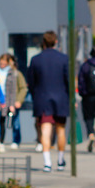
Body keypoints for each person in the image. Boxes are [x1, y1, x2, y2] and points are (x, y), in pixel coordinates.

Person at [27, 30, 69, 172]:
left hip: (43, 98)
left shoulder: (36, 59)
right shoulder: (63, 59)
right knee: (61, 130)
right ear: (56, 42)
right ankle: (60, 160)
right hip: (61, 98)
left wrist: (35, 95)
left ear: (43, 42)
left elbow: (31, 82)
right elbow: (68, 80)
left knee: (45, 130)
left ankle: (47, 162)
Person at [7, 54, 28, 149]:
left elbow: (23, 88)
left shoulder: (17, 74)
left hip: (14, 101)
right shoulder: (2, 73)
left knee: (15, 122)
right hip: (4, 102)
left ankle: (16, 140)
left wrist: (19, 100)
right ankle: (0, 140)